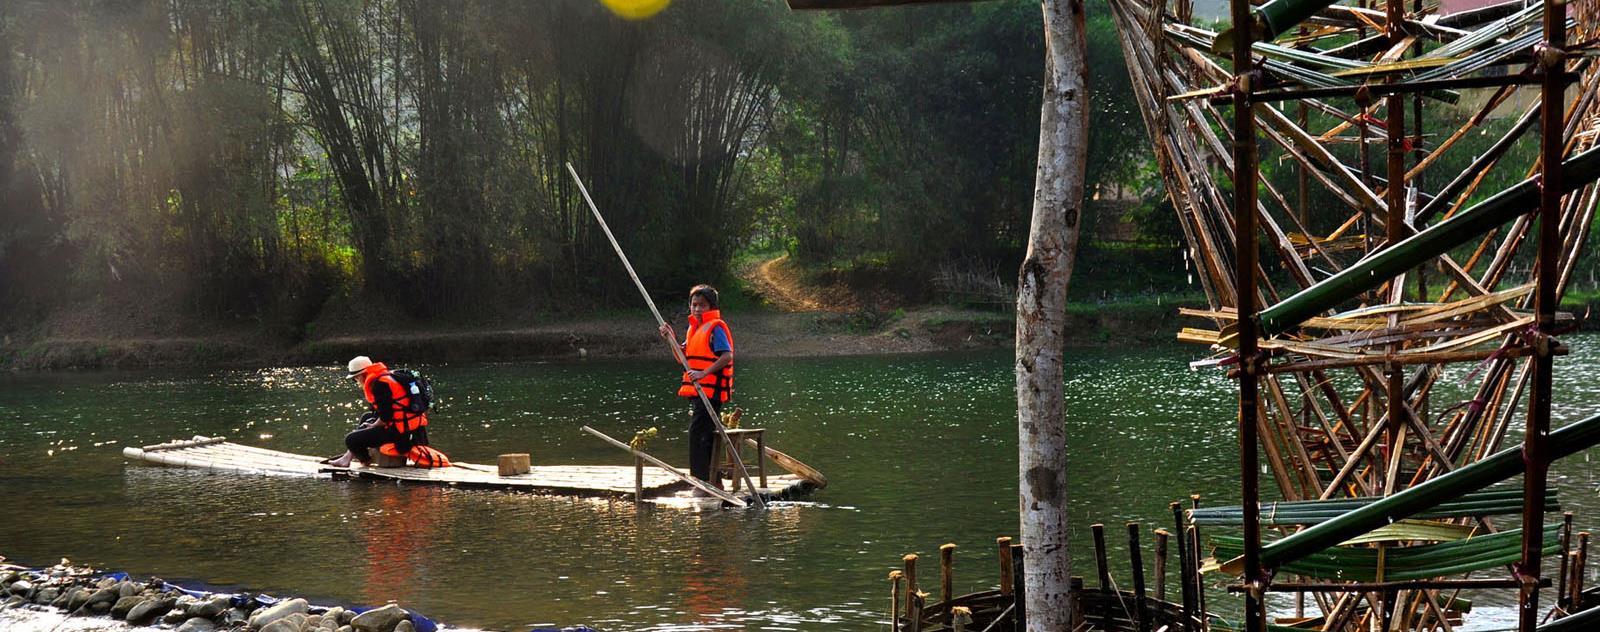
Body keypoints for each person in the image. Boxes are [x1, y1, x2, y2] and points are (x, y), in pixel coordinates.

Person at [657, 284, 734, 488]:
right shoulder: (694, 328)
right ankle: (712, 482)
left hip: (710, 393)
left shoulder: (715, 328)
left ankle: (703, 482)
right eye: (694, 305)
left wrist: (703, 373)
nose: (697, 309)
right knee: (702, 437)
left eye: (703, 305)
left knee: (699, 436)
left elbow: (727, 356)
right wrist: (670, 338)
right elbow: (683, 359)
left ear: (711, 307)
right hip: (698, 394)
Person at [322, 356, 430, 468]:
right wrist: (371, 424)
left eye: (355, 378)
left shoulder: (379, 385)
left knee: (350, 440)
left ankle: (365, 460)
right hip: (412, 428)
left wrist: (373, 425)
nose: (356, 381)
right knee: (366, 417)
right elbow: (384, 411)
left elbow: (386, 416)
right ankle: (347, 457)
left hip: (401, 434)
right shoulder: (385, 377)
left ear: (362, 374)